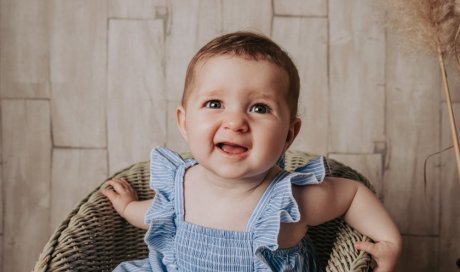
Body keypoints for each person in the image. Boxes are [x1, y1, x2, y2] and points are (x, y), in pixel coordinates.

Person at [102, 31, 402, 272]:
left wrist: (391, 241)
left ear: (288, 134)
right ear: (184, 121)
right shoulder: (180, 182)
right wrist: (128, 208)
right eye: (215, 104)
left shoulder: (288, 201)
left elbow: (351, 196)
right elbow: (158, 216)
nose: (235, 122)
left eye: (259, 108)